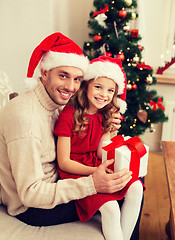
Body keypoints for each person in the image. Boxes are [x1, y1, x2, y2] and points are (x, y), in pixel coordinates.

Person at [0, 32, 132, 228]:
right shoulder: (25, 117)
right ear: (44, 73)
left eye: (77, 79)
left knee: (131, 177)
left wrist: (108, 125)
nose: (71, 87)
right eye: (63, 76)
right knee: (119, 192)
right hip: (34, 208)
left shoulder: (58, 103)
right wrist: (92, 184)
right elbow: (30, 194)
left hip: (59, 180)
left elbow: (82, 138)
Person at [54, 56, 145, 240]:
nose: (104, 94)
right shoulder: (69, 114)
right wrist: (96, 172)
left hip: (96, 162)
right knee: (110, 208)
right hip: (76, 171)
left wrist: (108, 130)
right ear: (86, 85)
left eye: (110, 90)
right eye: (98, 87)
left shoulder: (104, 114)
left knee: (136, 187)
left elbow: (99, 153)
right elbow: (63, 162)